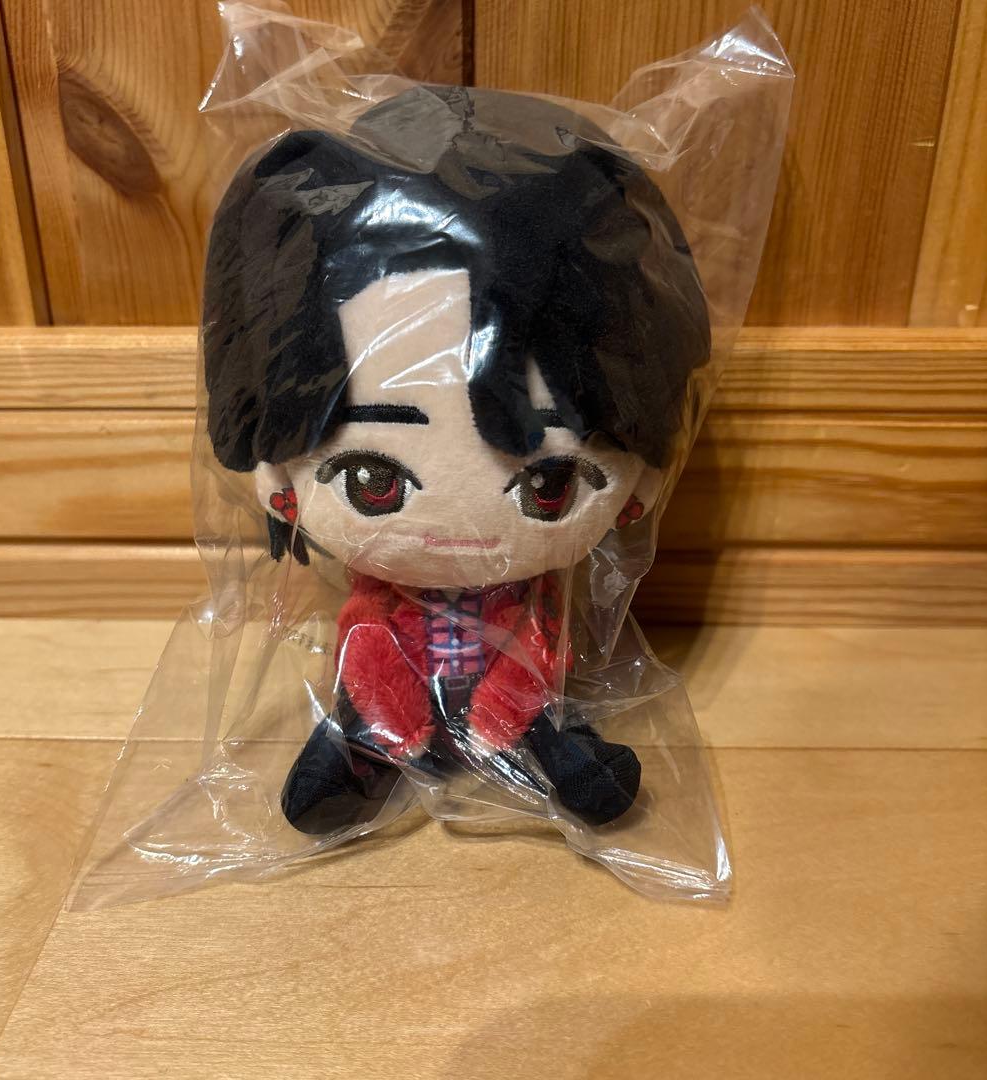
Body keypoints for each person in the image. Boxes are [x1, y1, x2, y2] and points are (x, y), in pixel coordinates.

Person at [202, 85, 710, 834]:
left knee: (548, 721)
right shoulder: (379, 599)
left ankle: (553, 759)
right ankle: (366, 752)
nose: (460, 532)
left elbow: (538, 649)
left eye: (548, 483)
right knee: (361, 710)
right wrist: (397, 715)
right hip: (397, 687)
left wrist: (504, 709)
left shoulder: (531, 604)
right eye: (373, 481)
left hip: (514, 695)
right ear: (274, 476)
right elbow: (367, 648)